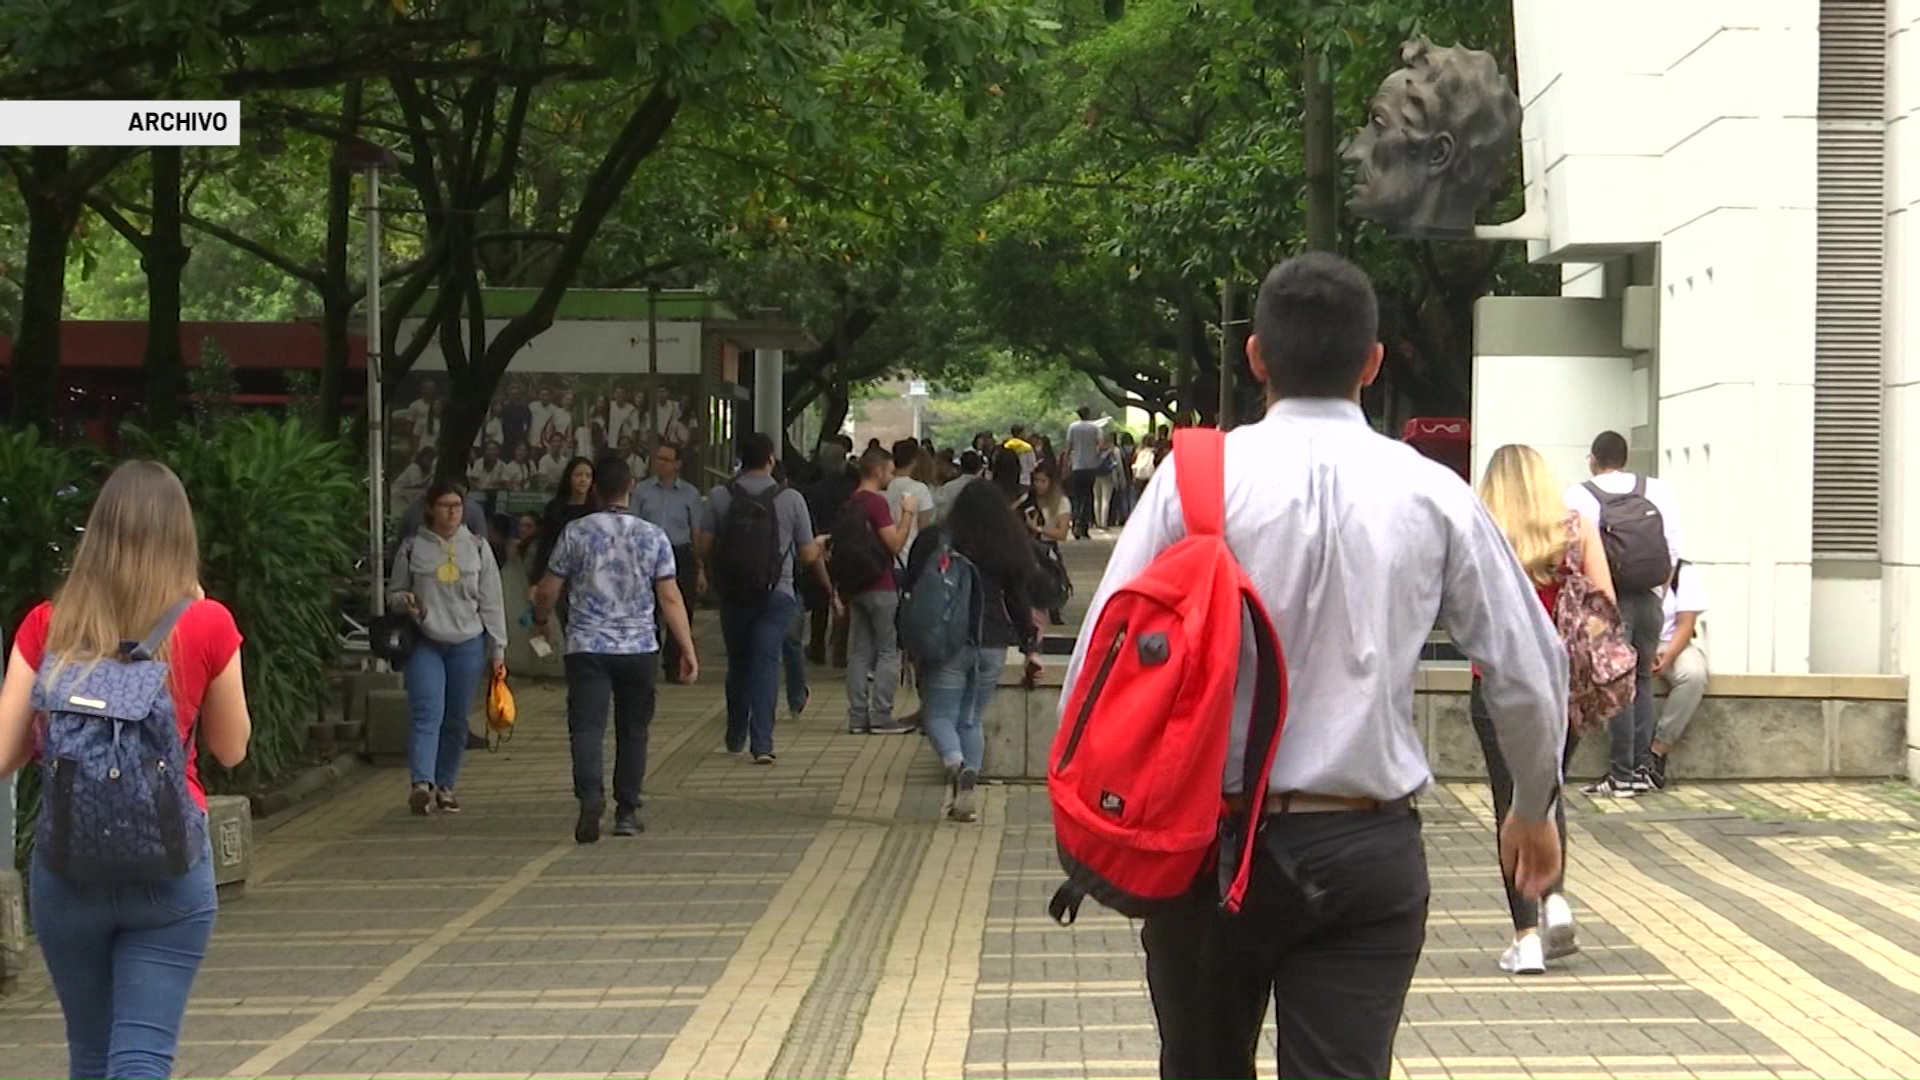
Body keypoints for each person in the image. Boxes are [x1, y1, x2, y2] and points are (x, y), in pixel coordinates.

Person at [1069, 252, 1567, 1080]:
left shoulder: (1191, 483)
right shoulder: (1432, 491)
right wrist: (1530, 805)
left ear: (1257, 356)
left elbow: (1095, 665)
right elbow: (1529, 668)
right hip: (1365, 846)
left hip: (1206, 843)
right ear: (1374, 363)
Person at [0, 461, 252, 1080]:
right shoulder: (207, 623)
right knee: (141, 1055)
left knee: (89, 1054)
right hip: (170, 866)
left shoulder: (47, 624)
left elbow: (4, 753)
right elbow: (231, 748)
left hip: (66, 866)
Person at [1473, 443, 1614, 974]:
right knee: (1547, 792)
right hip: (1564, 687)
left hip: (1497, 685)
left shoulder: (1481, 528)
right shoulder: (1575, 527)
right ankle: (1555, 900)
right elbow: (1605, 600)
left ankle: (1525, 936)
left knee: (1510, 805)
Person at [534, 457, 697, 842]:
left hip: (587, 646)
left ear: (595, 490)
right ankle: (627, 810)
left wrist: (541, 619)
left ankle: (590, 796)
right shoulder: (652, 536)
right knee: (634, 729)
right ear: (632, 486)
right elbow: (670, 597)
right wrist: (686, 648)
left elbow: (548, 588)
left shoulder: (576, 532)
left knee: (588, 728)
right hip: (639, 646)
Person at [905, 480, 1043, 823]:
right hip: (994, 642)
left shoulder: (937, 539)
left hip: (949, 640)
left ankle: (955, 763)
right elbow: (1019, 601)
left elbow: (913, 588)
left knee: (938, 715)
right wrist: (1030, 648)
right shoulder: (1008, 541)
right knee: (971, 719)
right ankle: (967, 794)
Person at [698, 433, 832, 762]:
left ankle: (734, 734)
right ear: (771, 459)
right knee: (766, 663)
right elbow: (805, 554)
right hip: (777, 593)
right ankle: (763, 744)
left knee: (739, 663)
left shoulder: (719, 495)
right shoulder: (791, 499)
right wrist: (819, 544)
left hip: (732, 593)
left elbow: (702, 547)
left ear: (740, 460)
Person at [1565, 430, 1683, 796]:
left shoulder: (1579, 494)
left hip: (1610, 602)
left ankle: (1621, 774)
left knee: (1617, 682)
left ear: (1593, 459)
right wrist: (1659, 593)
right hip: (1650, 600)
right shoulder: (1658, 490)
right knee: (1642, 681)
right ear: (1626, 457)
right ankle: (1643, 769)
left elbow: (1576, 553)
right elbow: (1673, 548)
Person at [389, 479, 509, 815]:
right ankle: (421, 783)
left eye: (457, 505)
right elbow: (394, 592)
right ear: (430, 509)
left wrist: (498, 651)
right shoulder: (413, 547)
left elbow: (492, 602)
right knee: (428, 711)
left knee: (456, 718)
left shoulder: (478, 546)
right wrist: (405, 601)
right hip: (425, 640)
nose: (452, 512)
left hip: (467, 642)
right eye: (445, 505)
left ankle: (446, 785)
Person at [839, 446, 919, 736]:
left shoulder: (850, 502)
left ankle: (857, 717)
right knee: (888, 650)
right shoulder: (876, 502)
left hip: (856, 585)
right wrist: (908, 514)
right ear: (877, 471)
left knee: (859, 652)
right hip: (881, 584)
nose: (891, 474)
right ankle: (882, 715)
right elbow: (895, 543)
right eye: (888, 470)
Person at [633, 443, 706, 683]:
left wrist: (700, 566)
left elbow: (696, 530)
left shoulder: (690, 494)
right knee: (648, 610)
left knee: (680, 608)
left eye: (666, 459)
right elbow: (633, 525)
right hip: (647, 555)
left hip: (679, 553)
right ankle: (648, 662)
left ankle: (674, 664)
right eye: (658, 458)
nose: (661, 463)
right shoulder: (642, 491)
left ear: (677, 464)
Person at [1647, 558, 1708, 789]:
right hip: (1634, 641)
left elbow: (1686, 622)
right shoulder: (1622, 565)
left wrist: (1669, 656)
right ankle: (1626, 759)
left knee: (1693, 675)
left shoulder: (1682, 571)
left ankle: (1658, 750)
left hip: (1672, 643)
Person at [1022, 464, 1072, 624]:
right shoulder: (1027, 500)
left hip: (1047, 546)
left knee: (1051, 578)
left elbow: (1062, 533)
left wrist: (1038, 528)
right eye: (1036, 480)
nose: (1039, 485)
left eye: (1043, 481)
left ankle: (1054, 609)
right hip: (1029, 545)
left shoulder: (1061, 502)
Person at [885, 438, 936, 551]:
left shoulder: (883, 486)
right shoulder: (920, 488)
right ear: (914, 461)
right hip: (909, 553)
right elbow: (924, 527)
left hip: (884, 554)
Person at [1066, 406, 1103, 539]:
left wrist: (1067, 462)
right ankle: (1085, 527)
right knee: (1088, 496)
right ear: (1088, 414)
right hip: (1090, 466)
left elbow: (1068, 447)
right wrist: (1095, 454)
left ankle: (1075, 524)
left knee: (1077, 497)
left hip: (1077, 466)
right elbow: (1100, 444)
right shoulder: (1095, 428)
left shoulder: (1073, 427)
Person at [936, 449, 985, 520]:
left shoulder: (949, 487)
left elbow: (942, 514)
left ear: (961, 465)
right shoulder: (986, 487)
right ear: (979, 466)